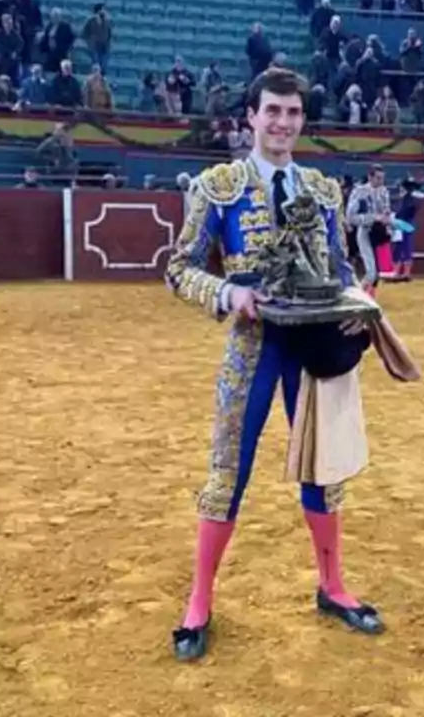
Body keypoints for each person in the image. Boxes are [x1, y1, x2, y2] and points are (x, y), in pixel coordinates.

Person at [164, 68, 381, 662]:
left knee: (322, 468)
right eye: (272, 111)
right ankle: (199, 601)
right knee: (227, 471)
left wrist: (358, 302)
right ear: (250, 117)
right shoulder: (219, 187)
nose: (282, 122)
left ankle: (332, 586)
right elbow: (178, 269)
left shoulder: (323, 189)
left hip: (311, 347)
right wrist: (229, 294)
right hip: (254, 346)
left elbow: (339, 270)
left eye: (292, 112)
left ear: (302, 120)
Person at [345, 164, 393, 297]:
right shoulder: (359, 192)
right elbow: (350, 217)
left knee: (375, 272)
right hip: (365, 232)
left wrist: (387, 220)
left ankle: (366, 296)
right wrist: (374, 218)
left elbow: (385, 211)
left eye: (382, 178)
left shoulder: (384, 191)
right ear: (369, 177)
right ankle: (358, 297)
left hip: (379, 234)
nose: (381, 181)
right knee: (371, 273)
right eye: (378, 178)